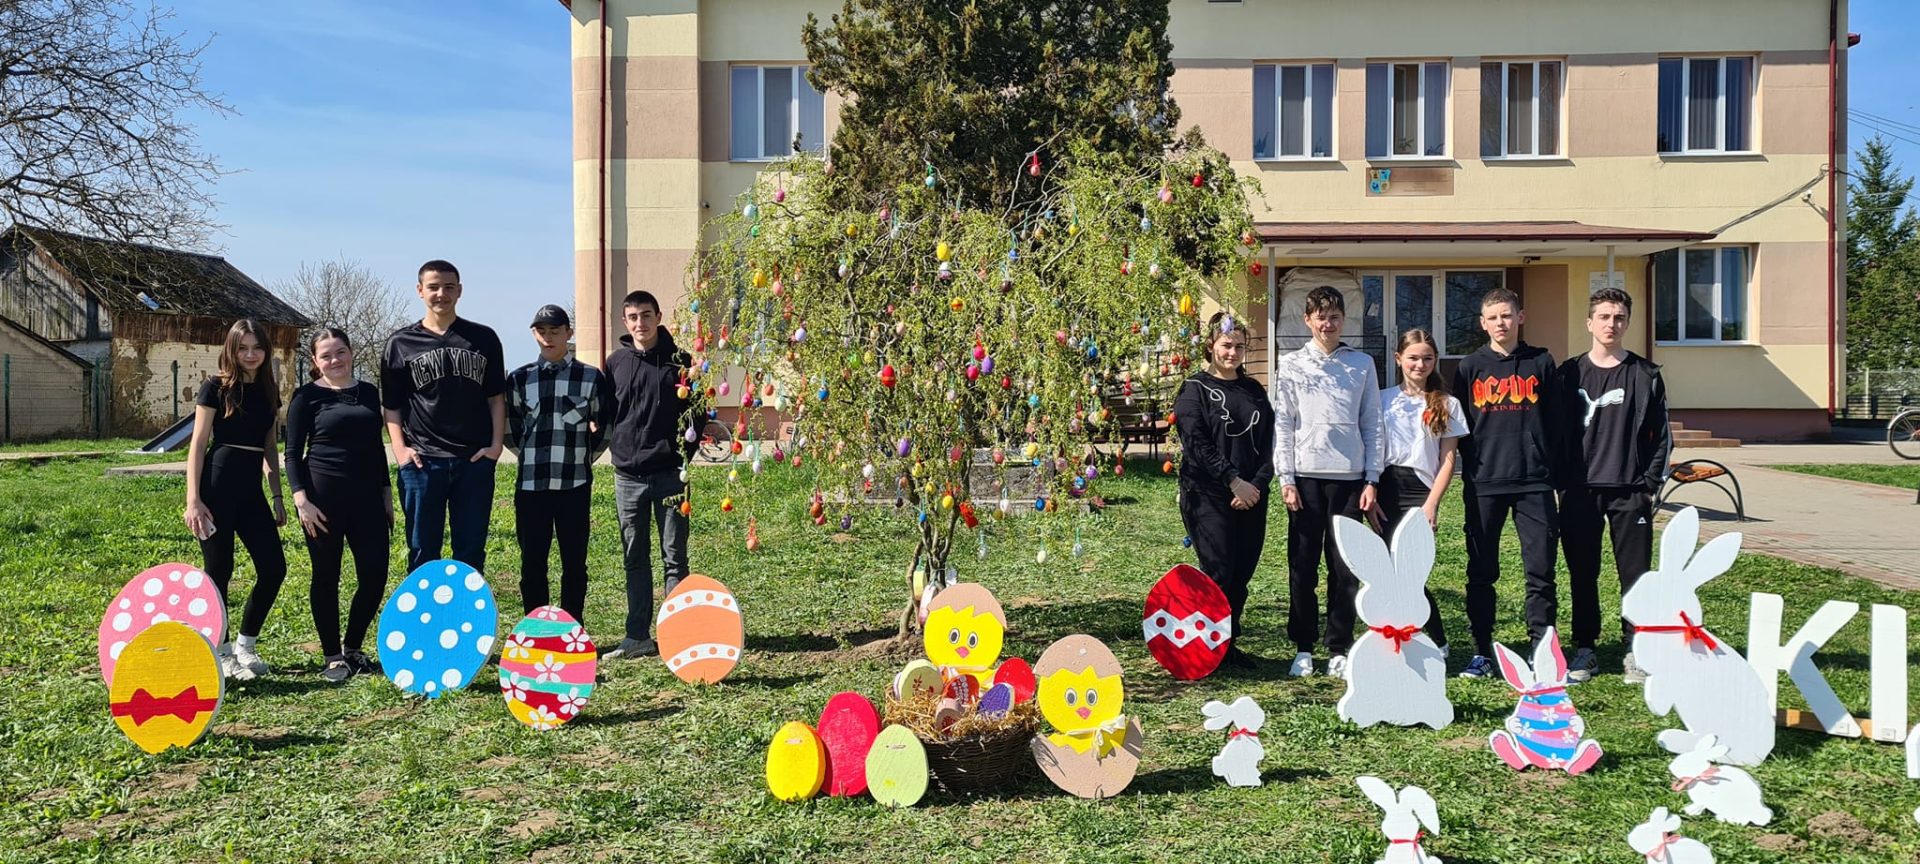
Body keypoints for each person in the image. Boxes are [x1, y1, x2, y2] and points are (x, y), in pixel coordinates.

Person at [1557, 286, 1671, 684]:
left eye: (1619, 317)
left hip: (1629, 490)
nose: (1611, 324)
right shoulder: (1568, 374)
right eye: (1604, 317)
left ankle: (1636, 647)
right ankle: (1585, 648)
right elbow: (1553, 432)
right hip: (1579, 491)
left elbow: (1662, 435)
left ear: (1628, 323)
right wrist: (1560, 481)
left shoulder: (1645, 375)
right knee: (1582, 571)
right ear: (1589, 323)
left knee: (1635, 575)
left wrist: (1648, 483)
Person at [1272, 285, 1383, 679]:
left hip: (1350, 480)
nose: (1328, 324)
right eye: (1321, 317)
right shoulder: (1291, 364)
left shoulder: (1361, 364)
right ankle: (1303, 646)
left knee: (1344, 567)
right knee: (1302, 565)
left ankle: (1339, 646)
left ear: (1343, 320)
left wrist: (1372, 478)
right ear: (1308, 320)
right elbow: (1283, 423)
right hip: (1305, 478)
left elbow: (1372, 422)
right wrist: (1286, 477)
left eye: (1335, 317)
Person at [1451, 287, 1562, 680]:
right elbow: (1459, 426)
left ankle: (1542, 651)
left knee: (1541, 571)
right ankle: (1481, 651)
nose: (1501, 323)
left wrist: (1549, 467)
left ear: (1520, 317)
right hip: (1484, 483)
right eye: (1493, 317)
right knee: (1481, 572)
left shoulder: (1541, 362)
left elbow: (1556, 422)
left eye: (1507, 315)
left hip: (1534, 483)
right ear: (1483, 323)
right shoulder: (1469, 367)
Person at [380, 260, 507, 574]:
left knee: (471, 552)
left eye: (449, 287)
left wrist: (495, 446)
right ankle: (424, 608)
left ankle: (467, 607)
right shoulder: (400, 343)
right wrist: (400, 450)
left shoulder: (484, 338)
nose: (441, 294)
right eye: (433, 287)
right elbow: (392, 405)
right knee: (422, 552)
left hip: (473, 460)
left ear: (460, 291)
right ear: (420, 290)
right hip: (422, 462)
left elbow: (496, 398)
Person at [181, 319, 289, 681]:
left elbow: (270, 447)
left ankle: (246, 645)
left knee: (273, 568)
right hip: (216, 486)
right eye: (243, 348)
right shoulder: (215, 387)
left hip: (252, 492)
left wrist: (277, 495)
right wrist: (193, 500)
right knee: (219, 571)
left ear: (266, 351)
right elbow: (198, 444)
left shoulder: (270, 390)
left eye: (257, 348)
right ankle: (222, 653)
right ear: (231, 350)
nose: (250, 354)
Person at [286, 328, 391, 683]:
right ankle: (332, 656)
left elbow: (377, 448)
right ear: (315, 361)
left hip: (368, 501)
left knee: (374, 575)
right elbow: (292, 454)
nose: (335, 360)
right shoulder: (306, 397)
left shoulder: (369, 392)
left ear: (351, 352)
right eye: (326, 355)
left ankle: (353, 647)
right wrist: (301, 499)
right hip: (321, 502)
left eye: (340, 352)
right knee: (326, 576)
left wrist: (386, 493)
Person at [1173, 311, 1275, 668]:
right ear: (1211, 346)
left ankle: (1226, 646)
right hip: (1208, 494)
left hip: (1252, 496)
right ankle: (1206, 648)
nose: (1233, 352)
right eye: (1226, 345)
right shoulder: (1194, 389)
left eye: (1239, 346)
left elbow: (1269, 443)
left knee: (1241, 575)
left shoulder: (1254, 391)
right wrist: (1233, 480)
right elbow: (1196, 443)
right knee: (1219, 572)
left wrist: (1256, 485)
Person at [602, 290, 698, 659]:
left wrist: (683, 457)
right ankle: (637, 636)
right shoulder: (616, 363)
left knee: (675, 557)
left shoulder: (681, 362)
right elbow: (607, 412)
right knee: (634, 556)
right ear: (624, 322)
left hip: (671, 474)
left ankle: (677, 637)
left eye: (646, 315)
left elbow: (697, 415)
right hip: (628, 475)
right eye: (633, 317)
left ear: (658, 317)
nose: (640, 323)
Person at [506, 304, 609, 626]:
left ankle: (571, 630)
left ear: (569, 333)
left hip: (574, 485)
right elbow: (510, 428)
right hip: (531, 486)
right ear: (534, 334)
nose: (548, 338)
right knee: (532, 565)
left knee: (574, 565)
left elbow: (605, 427)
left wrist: (582, 456)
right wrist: (529, 453)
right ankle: (536, 630)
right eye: (542, 332)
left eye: (555, 331)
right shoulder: (519, 379)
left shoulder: (590, 377)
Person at [1377, 328, 1469, 655]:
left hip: (1421, 492)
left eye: (1427, 358)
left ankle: (1438, 640)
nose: (1420, 364)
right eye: (1413, 358)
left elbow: (1448, 460)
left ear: (1435, 361)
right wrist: (1370, 493)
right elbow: (1372, 449)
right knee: (1388, 571)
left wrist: (1432, 505)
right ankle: (1396, 637)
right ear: (1398, 359)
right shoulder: (1382, 399)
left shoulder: (1448, 403)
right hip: (1385, 489)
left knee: (1412, 574)